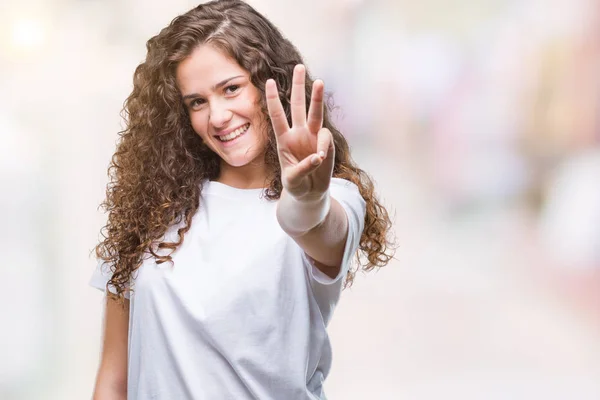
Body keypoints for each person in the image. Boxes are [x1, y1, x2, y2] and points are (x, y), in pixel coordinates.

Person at [89, 1, 394, 399]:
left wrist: (305, 199)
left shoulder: (331, 196)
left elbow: (320, 229)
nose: (217, 116)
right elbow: (114, 377)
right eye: (197, 102)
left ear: (270, 83)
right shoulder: (151, 208)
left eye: (231, 89)